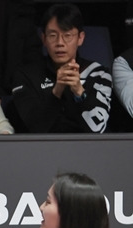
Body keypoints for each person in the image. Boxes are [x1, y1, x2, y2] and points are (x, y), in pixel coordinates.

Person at [7, 3, 113, 133]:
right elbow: (33, 128)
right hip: (39, 150)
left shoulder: (99, 74)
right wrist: (57, 90)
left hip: (86, 150)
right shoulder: (26, 75)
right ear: (44, 39)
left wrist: (79, 93)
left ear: (80, 38)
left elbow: (97, 130)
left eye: (67, 35)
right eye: (52, 35)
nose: (60, 43)